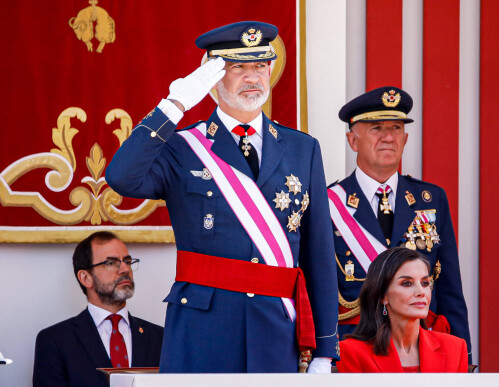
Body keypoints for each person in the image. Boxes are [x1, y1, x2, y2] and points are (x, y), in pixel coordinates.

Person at [105, 21, 339, 373]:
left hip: (275, 327)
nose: (252, 77)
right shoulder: (183, 147)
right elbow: (121, 177)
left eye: (260, 65)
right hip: (203, 326)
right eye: (238, 67)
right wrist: (174, 105)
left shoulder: (301, 148)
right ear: (212, 76)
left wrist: (324, 350)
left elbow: (318, 250)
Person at [328, 86, 471, 359]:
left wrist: (464, 360)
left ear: (405, 139)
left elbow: (451, 288)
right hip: (355, 347)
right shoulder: (328, 203)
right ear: (353, 140)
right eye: (376, 128)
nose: (388, 137)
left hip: (421, 345)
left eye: (395, 128)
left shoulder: (431, 199)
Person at [33, 231, 164, 387]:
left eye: (127, 261)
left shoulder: (161, 338)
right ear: (85, 278)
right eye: (110, 263)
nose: (124, 269)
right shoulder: (55, 340)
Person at [336, 247, 468, 372]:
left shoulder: (455, 348)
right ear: (383, 295)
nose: (420, 292)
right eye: (407, 283)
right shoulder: (351, 351)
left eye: (425, 283)